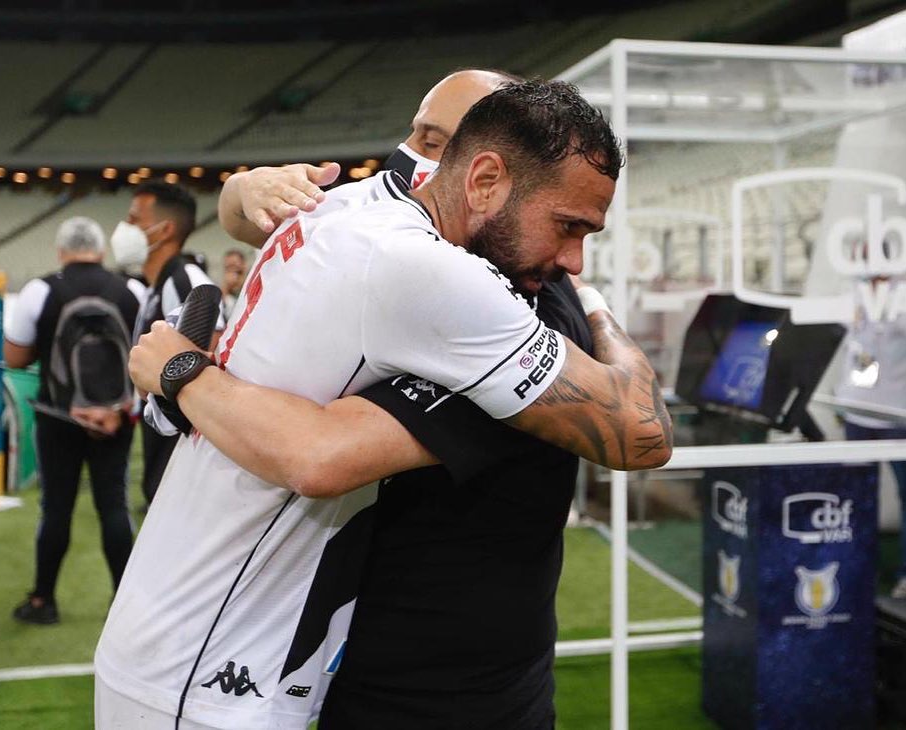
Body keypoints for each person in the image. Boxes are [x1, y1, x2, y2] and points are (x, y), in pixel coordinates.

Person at [97, 79, 670, 730]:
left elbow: (240, 215)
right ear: (484, 175)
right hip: (208, 657)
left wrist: (237, 197)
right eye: (567, 227)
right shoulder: (433, 272)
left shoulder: (343, 207)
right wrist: (595, 309)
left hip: (190, 620)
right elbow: (640, 431)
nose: (572, 261)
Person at [5, 217, 140, 625]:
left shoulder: (40, 290)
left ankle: (43, 601)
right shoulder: (132, 290)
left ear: (61, 250)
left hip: (59, 416)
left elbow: (15, 357)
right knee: (113, 505)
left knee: (56, 508)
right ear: (101, 249)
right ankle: (125, 605)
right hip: (115, 418)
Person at [109, 179, 221, 506]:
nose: (125, 227)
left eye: (134, 219)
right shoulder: (157, 285)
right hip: (162, 435)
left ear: (165, 229)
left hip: (180, 442)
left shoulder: (185, 279)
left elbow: (212, 351)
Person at [836, 269, 906, 599]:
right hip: (857, 411)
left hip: (897, 414)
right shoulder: (853, 286)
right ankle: (858, 569)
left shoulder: (901, 291)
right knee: (856, 496)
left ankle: (904, 573)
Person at [220, 248, 247, 319]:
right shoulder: (224, 293)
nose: (232, 269)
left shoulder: (251, 285)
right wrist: (226, 287)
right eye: (228, 267)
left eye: (234, 265)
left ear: (244, 265)